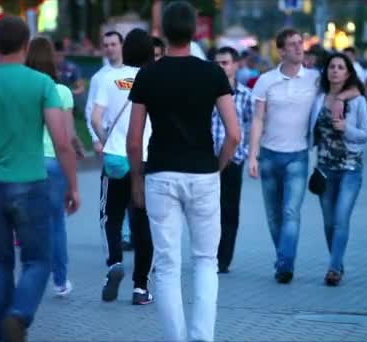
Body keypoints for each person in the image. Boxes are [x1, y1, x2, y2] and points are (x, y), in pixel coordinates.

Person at [0, 16, 80, 341]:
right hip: (30, 183)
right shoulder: (42, 84)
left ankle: (4, 336)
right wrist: (73, 185)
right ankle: (19, 314)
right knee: (38, 260)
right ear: (25, 45)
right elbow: (62, 141)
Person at [126, 1, 240, 340]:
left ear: (161, 32)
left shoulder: (148, 74)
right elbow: (234, 134)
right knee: (206, 260)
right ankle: (201, 336)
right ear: (195, 31)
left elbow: (134, 140)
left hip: (160, 174)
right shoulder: (213, 73)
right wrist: (217, 167)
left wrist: (137, 180)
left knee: (166, 263)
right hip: (203, 173)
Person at [248, 28, 359, 284]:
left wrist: (341, 97)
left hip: (297, 157)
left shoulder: (313, 78)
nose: (299, 48)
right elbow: (257, 119)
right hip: (268, 155)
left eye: (301, 44)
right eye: (293, 45)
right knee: (274, 215)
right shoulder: (266, 81)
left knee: (290, 212)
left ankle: (285, 265)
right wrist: (253, 156)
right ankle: (282, 257)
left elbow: (353, 87)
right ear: (281, 51)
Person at [90, 28, 155, 306]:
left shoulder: (109, 78)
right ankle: (141, 287)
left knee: (111, 217)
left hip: (116, 158)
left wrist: (107, 140)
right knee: (143, 223)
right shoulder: (154, 78)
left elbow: (95, 117)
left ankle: (114, 262)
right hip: (146, 159)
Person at [25, 36, 83, 297]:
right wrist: (74, 185)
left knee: (27, 223)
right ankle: (60, 281)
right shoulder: (61, 92)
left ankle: (29, 278)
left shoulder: (21, 90)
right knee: (56, 222)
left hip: (25, 162)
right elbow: (67, 137)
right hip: (55, 163)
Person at [308, 53, 367, 286]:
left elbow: (365, 134)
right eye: (332, 67)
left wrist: (346, 128)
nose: (334, 70)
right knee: (328, 222)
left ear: (347, 73)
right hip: (324, 169)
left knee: (341, 218)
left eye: (340, 67)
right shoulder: (318, 98)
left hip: (350, 168)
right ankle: (338, 261)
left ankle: (333, 268)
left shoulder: (358, 101)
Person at [212, 46, 253, 274]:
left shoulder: (245, 95)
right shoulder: (205, 92)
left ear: (236, 65)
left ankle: (223, 259)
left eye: (225, 62)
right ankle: (208, 254)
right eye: (217, 63)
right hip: (208, 160)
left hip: (233, 161)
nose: (221, 67)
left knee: (229, 211)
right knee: (208, 211)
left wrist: (243, 153)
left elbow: (250, 125)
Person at [85, 31, 123, 155]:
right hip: (109, 139)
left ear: (122, 45)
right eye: (106, 45)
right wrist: (96, 139)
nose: (109, 48)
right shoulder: (98, 78)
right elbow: (90, 109)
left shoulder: (134, 72)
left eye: (113, 44)